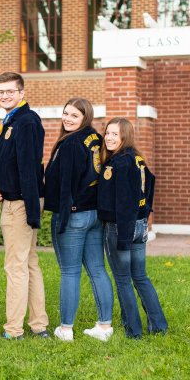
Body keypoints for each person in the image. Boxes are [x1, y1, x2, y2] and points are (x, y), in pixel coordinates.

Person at [44, 97, 114, 342]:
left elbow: (66, 183)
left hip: (74, 214)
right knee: (97, 269)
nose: (68, 119)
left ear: (85, 117)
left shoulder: (73, 142)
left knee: (70, 272)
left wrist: (63, 216)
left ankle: (65, 329)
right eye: (65, 113)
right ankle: (105, 326)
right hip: (94, 213)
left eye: (74, 115)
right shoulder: (94, 137)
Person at [98, 117, 168, 339]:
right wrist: (146, 214)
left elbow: (124, 202)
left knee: (122, 278)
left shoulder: (118, 163)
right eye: (107, 133)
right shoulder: (137, 159)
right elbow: (151, 185)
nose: (109, 137)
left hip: (121, 227)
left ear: (125, 137)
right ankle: (158, 326)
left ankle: (133, 330)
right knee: (140, 276)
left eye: (115, 134)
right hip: (138, 224)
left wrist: (123, 237)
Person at [0, 72, 49, 339]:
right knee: (29, 263)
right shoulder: (12, 120)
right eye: (1, 92)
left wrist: (30, 209)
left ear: (21, 93)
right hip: (16, 200)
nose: (4, 95)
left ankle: (13, 329)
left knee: (15, 266)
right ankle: (38, 325)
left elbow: (29, 167)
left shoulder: (26, 121)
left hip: (21, 204)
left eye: (9, 91)